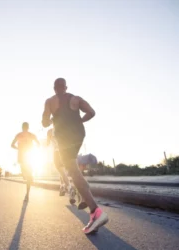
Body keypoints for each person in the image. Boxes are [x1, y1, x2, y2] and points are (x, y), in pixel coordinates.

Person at [41, 78, 108, 234]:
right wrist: (78, 120)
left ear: (54, 88)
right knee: (74, 168)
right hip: (78, 134)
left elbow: (44, 123)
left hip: (64, 137)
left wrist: (49, 119)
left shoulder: (50, 101)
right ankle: (85, 197)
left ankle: (96, 212)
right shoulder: (76, 99)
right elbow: (92, 113)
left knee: (72, 170)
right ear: (66, 87)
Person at [11, 122, 40, 202]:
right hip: (29, 156)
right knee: (27, 176)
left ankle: (27, 194)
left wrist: (18, 148)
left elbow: (12, 145)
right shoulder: (32, 135)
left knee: (26, 175)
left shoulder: (18, 135)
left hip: (22, 156)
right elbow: (38, 144)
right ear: (28, 127)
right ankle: (27, 193)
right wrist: (35, 147)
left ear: (22, 127)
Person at [47, 128, 76, 203]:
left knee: (61, 172)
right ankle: (62, 187)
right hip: (66, 152)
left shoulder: (50, 131)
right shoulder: (64, 128)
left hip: (57, 153)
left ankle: (70, 189)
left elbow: (47, 144)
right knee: (62, 171)